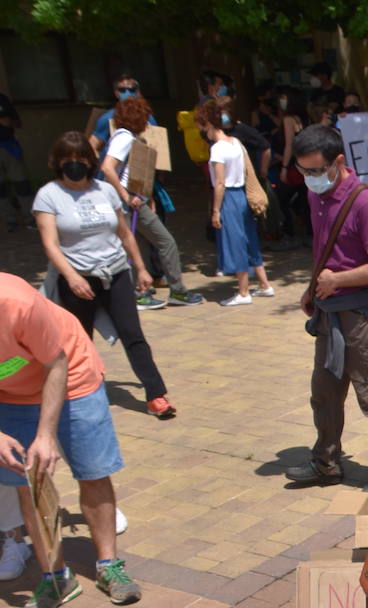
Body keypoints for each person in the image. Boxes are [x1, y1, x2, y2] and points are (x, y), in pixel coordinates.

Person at [0, 273, 144, 608]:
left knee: (92, 470)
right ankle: (56, 577)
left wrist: (46, 435)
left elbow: (57, 363)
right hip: (10, 392)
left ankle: (109, 564)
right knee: (27, 484)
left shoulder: (17, 301)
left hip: (71, 374)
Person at [286, 124, 368, 494]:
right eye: (303, 171)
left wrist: (338, 281)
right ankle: (326, 461)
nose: (310, 178)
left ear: (338, 161)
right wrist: (312, 287)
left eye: (316, 171)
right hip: (327, 312)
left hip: (362, 316)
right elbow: (323, 250)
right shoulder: (314, 196)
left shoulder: (364, 202)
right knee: (324, 393)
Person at [34, 131, 175, 419]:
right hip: (76, 279)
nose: (75, 165)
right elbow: (50, 245)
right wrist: (72, 277)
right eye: (68, 160)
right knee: (77, 342)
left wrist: (140, 267)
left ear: (90, 160)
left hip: (116, 272)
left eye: (81, 159)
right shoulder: (48, 195)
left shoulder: (104, 190)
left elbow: (124, 233)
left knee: (133, 334)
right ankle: (77, 396)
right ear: (58, 162)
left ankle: (156, 395)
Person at [96, 98, 204, 309]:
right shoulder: (124, 138)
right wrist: (125, 196)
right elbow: (108, 168)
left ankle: (141, 289)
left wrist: (148, 197)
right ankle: (175, 291)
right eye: (145, 117)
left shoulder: (124, 137)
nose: (148, 122)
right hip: (127, 202)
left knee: (138, 245)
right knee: (164, 241)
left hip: (133, 200)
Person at [195, 101, 272, 307]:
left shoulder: (217, 149)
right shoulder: (235, 142)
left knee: (234, 242)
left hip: (229, 197)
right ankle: (264, 284)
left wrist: (215, 210)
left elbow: (219, 183)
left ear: (208, 124)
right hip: (242, 196)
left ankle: (243, 291)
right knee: (249, 238)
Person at [270, 87, 309, 249]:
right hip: (305, 165)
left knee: (281, 199)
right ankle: (310, 234)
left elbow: (289, 145)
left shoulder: (288, 119)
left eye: (284, 98)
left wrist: (284, 167)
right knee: (304, 200)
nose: (281, 101)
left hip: (293, 166)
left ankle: (289, 235)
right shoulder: (304, 118)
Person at [89, 74, 157, 154]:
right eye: (122, 90)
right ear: (116, 93)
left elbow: (157, 144)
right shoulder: (108, 118)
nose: (127, 93)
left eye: (132, 89)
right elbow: (92, 146)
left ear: (138, 92)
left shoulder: (148, 117)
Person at [0, 91, 32, 232]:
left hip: (8, 147)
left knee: (21, 184)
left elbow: (18, 123)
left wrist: (9, 122)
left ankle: (29, 218)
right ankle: (9, 219)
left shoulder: (2, 99)